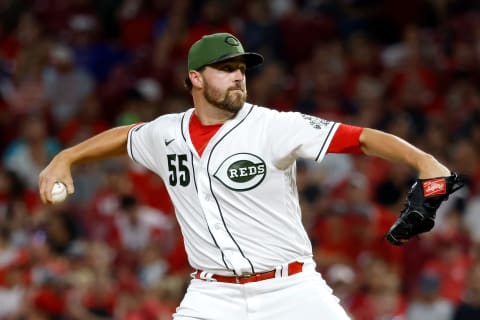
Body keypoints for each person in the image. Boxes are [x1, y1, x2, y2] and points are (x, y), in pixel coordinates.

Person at [38, 32, 453, 320]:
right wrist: (66, 158)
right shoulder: (167, 133)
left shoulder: (273, 126)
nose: (238, 75)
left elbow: (359, 138)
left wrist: (425, 161)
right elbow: (126, 135)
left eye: (241, 68)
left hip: (291, 288)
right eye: (225, 68)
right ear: (196, 79)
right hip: (212, 294)